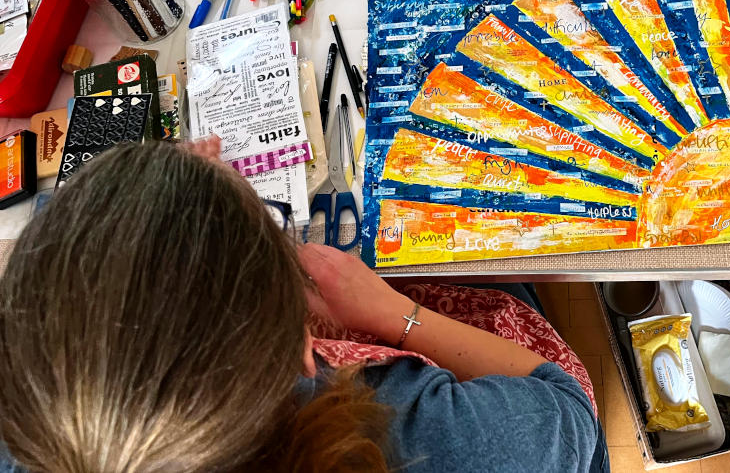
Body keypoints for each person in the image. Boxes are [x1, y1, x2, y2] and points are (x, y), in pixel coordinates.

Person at [0, 140, 608, 472]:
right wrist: (392, 314)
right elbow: (564, 408)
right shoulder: (427, 438)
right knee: (496, 268)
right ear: (305, 351)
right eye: (269, 222)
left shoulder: (35, 437)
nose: (210, 144)